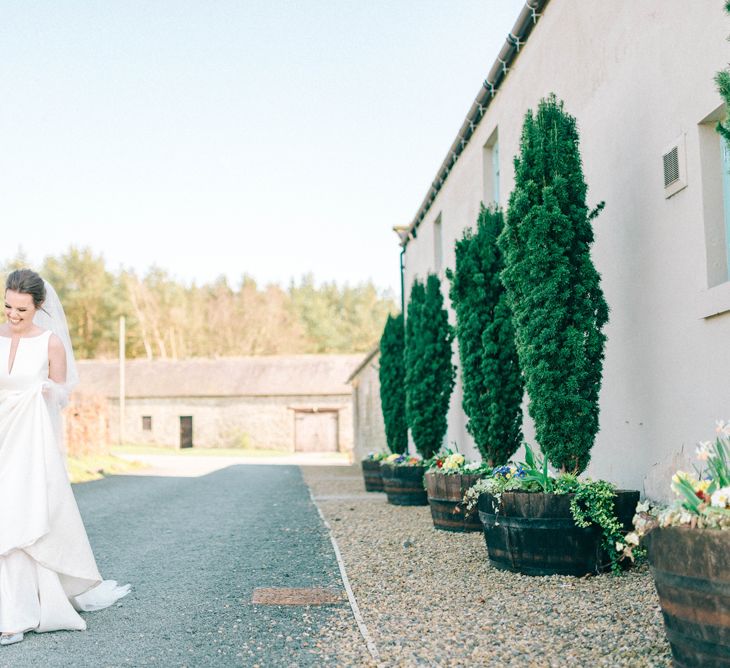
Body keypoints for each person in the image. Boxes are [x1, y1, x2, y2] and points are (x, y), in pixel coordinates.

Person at [0, 269, 131, 646]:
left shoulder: (50, 343)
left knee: (21, 517)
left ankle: (18, 615)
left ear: (38, 306)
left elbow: (62, 394)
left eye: (21, 310)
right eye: (8, 306)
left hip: (29, 441)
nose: (12, 315)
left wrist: (42, 391)